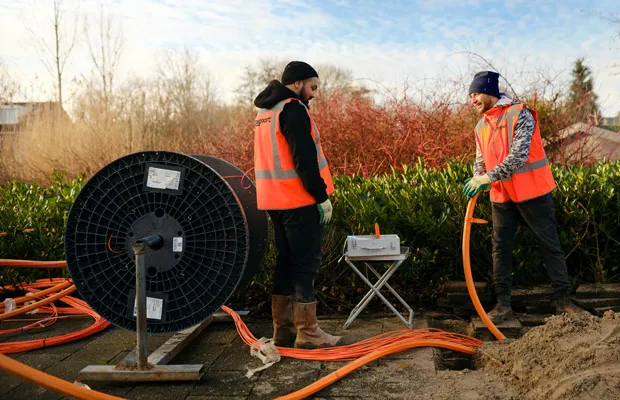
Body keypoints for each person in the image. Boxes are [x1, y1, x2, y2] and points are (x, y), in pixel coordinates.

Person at [463, 71, 586, 323]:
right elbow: (480, 160)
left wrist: (487, 178)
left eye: (476, 94)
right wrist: (478, 177)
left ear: (490, 92)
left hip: (532, 192)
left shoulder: (521, 114)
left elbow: (518, 155)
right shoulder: (481, 125)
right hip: (501, 195)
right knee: (500, 249)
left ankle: (564, 302)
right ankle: (503, 305)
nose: (472, 99)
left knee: (549, 245)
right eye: (470, 95)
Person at [253, 61, 343, 348]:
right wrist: (321, 197)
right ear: (297, 83)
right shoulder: (293, 109)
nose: (314, 94)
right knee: (305, 265)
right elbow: (303, 159)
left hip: (273, 201)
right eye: (313, 87)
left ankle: (283, 329)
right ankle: (309, 331)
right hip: (299, 200)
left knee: (286, 263)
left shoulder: (265, 112)